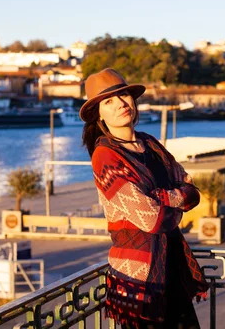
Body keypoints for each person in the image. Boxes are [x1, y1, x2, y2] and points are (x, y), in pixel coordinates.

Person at [80, 68, 208, 328]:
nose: (121, 104)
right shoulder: (105, 156)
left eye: (124, 95)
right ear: (98, 114)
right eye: (109, 101)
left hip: (174, 268)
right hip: (138, 279)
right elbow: (151, 218)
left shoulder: (150, 144)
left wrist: (159, 196)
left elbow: (192, 192)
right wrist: (175, 200)